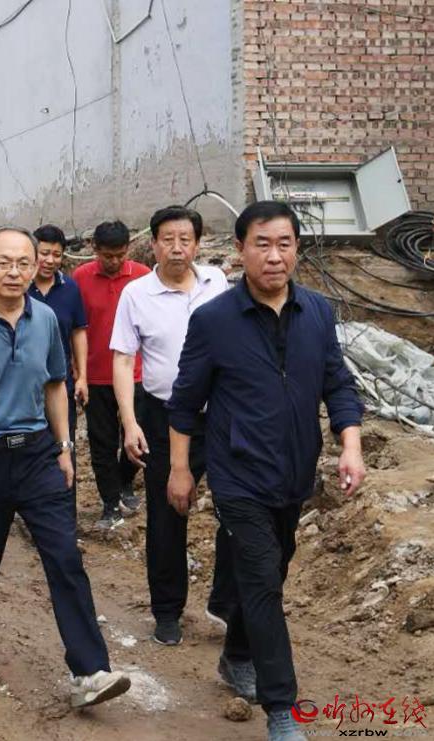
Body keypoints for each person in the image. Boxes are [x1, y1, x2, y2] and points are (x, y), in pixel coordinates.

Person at [166, 202, 365, 741]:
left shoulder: (317, 312)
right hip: (238, 476)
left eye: (284, 244)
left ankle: (236, 655)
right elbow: (185, 403)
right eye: (262, 244)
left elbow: (337, 384)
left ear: (297, 248)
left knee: (270, 573)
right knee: (261, 581)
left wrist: (350, 446)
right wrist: (180, 469)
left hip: (295, 473)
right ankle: (282, 710)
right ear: (240, 250)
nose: (274, 256)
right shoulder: (213, 321)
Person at [0, 225, 131, 707]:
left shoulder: (47, 320)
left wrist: (63, 447)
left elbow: (56, 385)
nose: (14, 272)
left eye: (23, 263)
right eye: (3, 262)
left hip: (37, 454)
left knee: (65, 556)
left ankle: (90, 671)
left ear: (37, 265)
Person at [110, 206, 234, 647]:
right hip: (162, 416)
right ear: (154, 244)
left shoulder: (217, 283)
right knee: (167, 513)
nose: (177, 248)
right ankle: (167, 611)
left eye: (185, 239)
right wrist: (130, 423)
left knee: (238, 508)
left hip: (222, 416)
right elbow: (123, 359)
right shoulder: (136, 294)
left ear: (197, 244)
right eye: (168, 239)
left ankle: (225, 602)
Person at [72, 221, 150, 529]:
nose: (114, 262)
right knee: (101, 442)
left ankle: (125, 480)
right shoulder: (80, 278)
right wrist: (78, 370)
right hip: (96, 376)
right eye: (107, 256)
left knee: (139, 435)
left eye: (120, 255)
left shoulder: (143, 276)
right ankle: (109, 502)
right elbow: (76, 327)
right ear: (94, 249)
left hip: (137, 374)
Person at [29, 224, 88, 494]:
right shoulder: (20, 287)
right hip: (26, 386)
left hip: (60, 383)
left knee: (64, 446)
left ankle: (65, 506)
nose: (50, 260)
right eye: (44, 253)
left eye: (56, 254)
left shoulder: (70, 289)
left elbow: (78, 332)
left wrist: (82, 376)